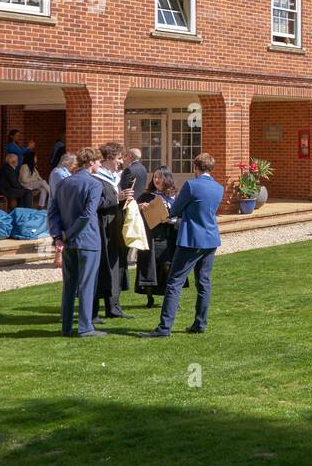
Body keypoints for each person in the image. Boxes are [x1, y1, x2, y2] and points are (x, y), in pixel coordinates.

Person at [140, 153, 224, 337]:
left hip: (191, 239)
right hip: (210, 239)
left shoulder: (191, 185)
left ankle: (164, 328)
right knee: (204, 283)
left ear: (196, 166)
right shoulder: (219, 188)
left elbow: (175, 209)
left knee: (174, 283)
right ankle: (200, 323)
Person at [46, 147, 107, 338]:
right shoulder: (95, 184)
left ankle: (66, 327)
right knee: (87, 285)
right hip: (87, 239)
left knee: (69, 285)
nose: (99, 164)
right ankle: (85, 327)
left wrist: (58, 236)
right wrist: (66, 235)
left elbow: (52, 212)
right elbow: (88, 215)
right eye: (98, 161)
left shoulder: (64, 183)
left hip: (69, 242)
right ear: (90, 162)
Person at [92, 142, 133, 320]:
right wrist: (117, 197)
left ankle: (113, 307)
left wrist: (125, 199)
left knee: (116, 265)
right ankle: (93, 310)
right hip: (101, 227)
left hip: (114, 226)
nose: (120, 162)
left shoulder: (113, 177)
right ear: (108, 158)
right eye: (118, 158)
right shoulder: (96, 179)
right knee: (100, 267)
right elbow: (95, 204)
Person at [135, 167, 178, 308]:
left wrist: (171, 218)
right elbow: (133, 215)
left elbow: (179, 215)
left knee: (167, 266)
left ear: (167, 179)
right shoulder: (145, 196)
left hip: (166, 236)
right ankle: (150, 299)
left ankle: (170, 298)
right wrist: (139, 207)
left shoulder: (173, 196)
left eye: (160, 177)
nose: (157, 180)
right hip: (150, 236)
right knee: (149, 266)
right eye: (155, 177)